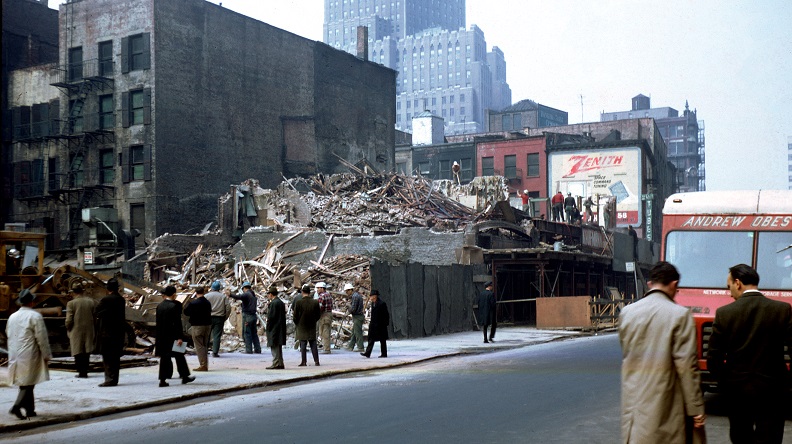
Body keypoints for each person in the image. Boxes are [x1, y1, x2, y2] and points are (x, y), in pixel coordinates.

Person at [619, 261, 705, 443]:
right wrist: (696, 408)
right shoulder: (680, 315)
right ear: (674, 285)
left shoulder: (627, 312)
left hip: (634, 405)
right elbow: (687, 368)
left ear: (650, 284)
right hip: (666, 405)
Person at [707, 264, 792, 444]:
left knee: (740, 436)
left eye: (729, 286)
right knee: (770, 437)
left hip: (737, 390)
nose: (729, 292)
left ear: (737, 283)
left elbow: (714, 358)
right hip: (773, 388)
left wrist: (725, 382)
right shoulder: (782, 310)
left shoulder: (724, 313)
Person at [6, 289, 52, 420]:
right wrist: (46, 354)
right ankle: (16, 406)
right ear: (31, 302)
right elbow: (42, 338)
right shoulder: (35, 316)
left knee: (25, 382)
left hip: (15, 352)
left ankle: (30, 410)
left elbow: (8, 333)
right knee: (28, 383)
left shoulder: (12, 316)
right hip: (30, 352)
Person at [155, 286, 195, 387]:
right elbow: (177, 323)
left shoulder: (160, 306)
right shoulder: (175, 306)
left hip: (162, 336)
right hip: (173, 336)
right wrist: (179, 337)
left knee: (164, 358)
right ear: (173, 294)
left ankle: (162, 380)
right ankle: (184, 376)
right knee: (180, 356)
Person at [95, 277, 126, 387]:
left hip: (107, 332)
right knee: (115, 357)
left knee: (107, 357)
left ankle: (109, 379)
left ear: (108, 288)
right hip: (118, 332)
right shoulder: (121, 300)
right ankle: (115, 378)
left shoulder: (106, 300)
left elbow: (97, 311)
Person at [65, 280, 96, 378]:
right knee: (86, 351)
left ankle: (81, 372)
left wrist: (68, 328)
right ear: (82, 291)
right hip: (89, 330)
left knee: (77, 351)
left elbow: (69, 320)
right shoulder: (91, 302)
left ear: (73, 292)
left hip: (76, 330)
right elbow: (95, 317)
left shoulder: (71, 303)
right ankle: (85, 371)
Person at [227, 281, 261, 354]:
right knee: (254, 333)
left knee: (247, 333)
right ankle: (257, 349)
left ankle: (249, 350)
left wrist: (230, 294)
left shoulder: (247, 294)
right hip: (253, 316)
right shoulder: (253, 295)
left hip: (247, 316)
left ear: (244, 288)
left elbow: (239, 297)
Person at [184, 286, 212, 372]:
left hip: (197, 325)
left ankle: (203, 365)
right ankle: (205, 364)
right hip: (207, 325)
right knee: (204, 345)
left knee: (199, 346)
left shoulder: (194, 303)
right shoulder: (207, 302)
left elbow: (186, 312)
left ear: (195, 293)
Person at [294, 285, 321, 366]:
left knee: (303, 343)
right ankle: (316, 361)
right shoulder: (315, 302)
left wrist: (297, 323)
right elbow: (318, 315)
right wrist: (314, 321)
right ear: (309, 293)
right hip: (311, 325)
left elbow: (295, 316)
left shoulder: (299, 302)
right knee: (313, 343)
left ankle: (303, 361)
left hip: (302, 325)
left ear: (302, 292)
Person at [204, 280, 230, 358]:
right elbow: (228, 308)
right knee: (217, 336)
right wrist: (225, 317)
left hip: (208, 318)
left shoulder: (207, 296)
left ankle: (205, 351)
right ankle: (215, 352)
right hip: (219, 318)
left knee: (206, 335)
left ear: (211, 288)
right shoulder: (223, 297)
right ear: (219, 288)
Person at [361, 290, 389, 358]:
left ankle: (384, 353)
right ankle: (368, 353)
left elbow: (386, 315)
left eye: (371, 296)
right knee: (371, 339)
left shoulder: (382, 304)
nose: (370, 298)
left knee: (382, 340)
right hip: (373, 325)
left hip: (381, 325)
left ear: (375, 296)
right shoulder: (373, 304)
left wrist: (385, 323)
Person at [264, 287, 286, 370]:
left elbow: (271, 317)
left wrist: (268, 326)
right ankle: (280, 362)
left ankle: (276, 363)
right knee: (278, 346)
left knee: (274, 345)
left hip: (274, 327)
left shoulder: (274, 303)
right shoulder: (280, 302)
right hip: (280, 326)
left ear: (271, 294)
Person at [344, 283, 365, 352]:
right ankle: (351, 346)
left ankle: (360, 347)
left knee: (358, 332)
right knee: (354, 332)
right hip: (357, 316)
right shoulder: (356, 296)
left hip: (358, 316)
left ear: (350, 290)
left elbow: (353, 308)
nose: (346, 293)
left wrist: (348, 310)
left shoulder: (355, 296)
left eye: (347, 291)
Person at [316, 282, 334, 354]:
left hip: (324, 315)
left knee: (324, 332)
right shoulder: (328, 294)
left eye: (318, 288)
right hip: (329, 314)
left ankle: (326, 349)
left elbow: (319, 308)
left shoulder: (321, 296)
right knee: (327, 331)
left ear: (322, 288)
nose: (317, 290)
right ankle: (327, 347)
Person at [290, 285, 304, 350]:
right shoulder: (309, 298)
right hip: (305, 316)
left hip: (297, 316)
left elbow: (293, 307)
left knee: (298, 329)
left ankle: (297, 339)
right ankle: (302, 345)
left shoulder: (296, 297)